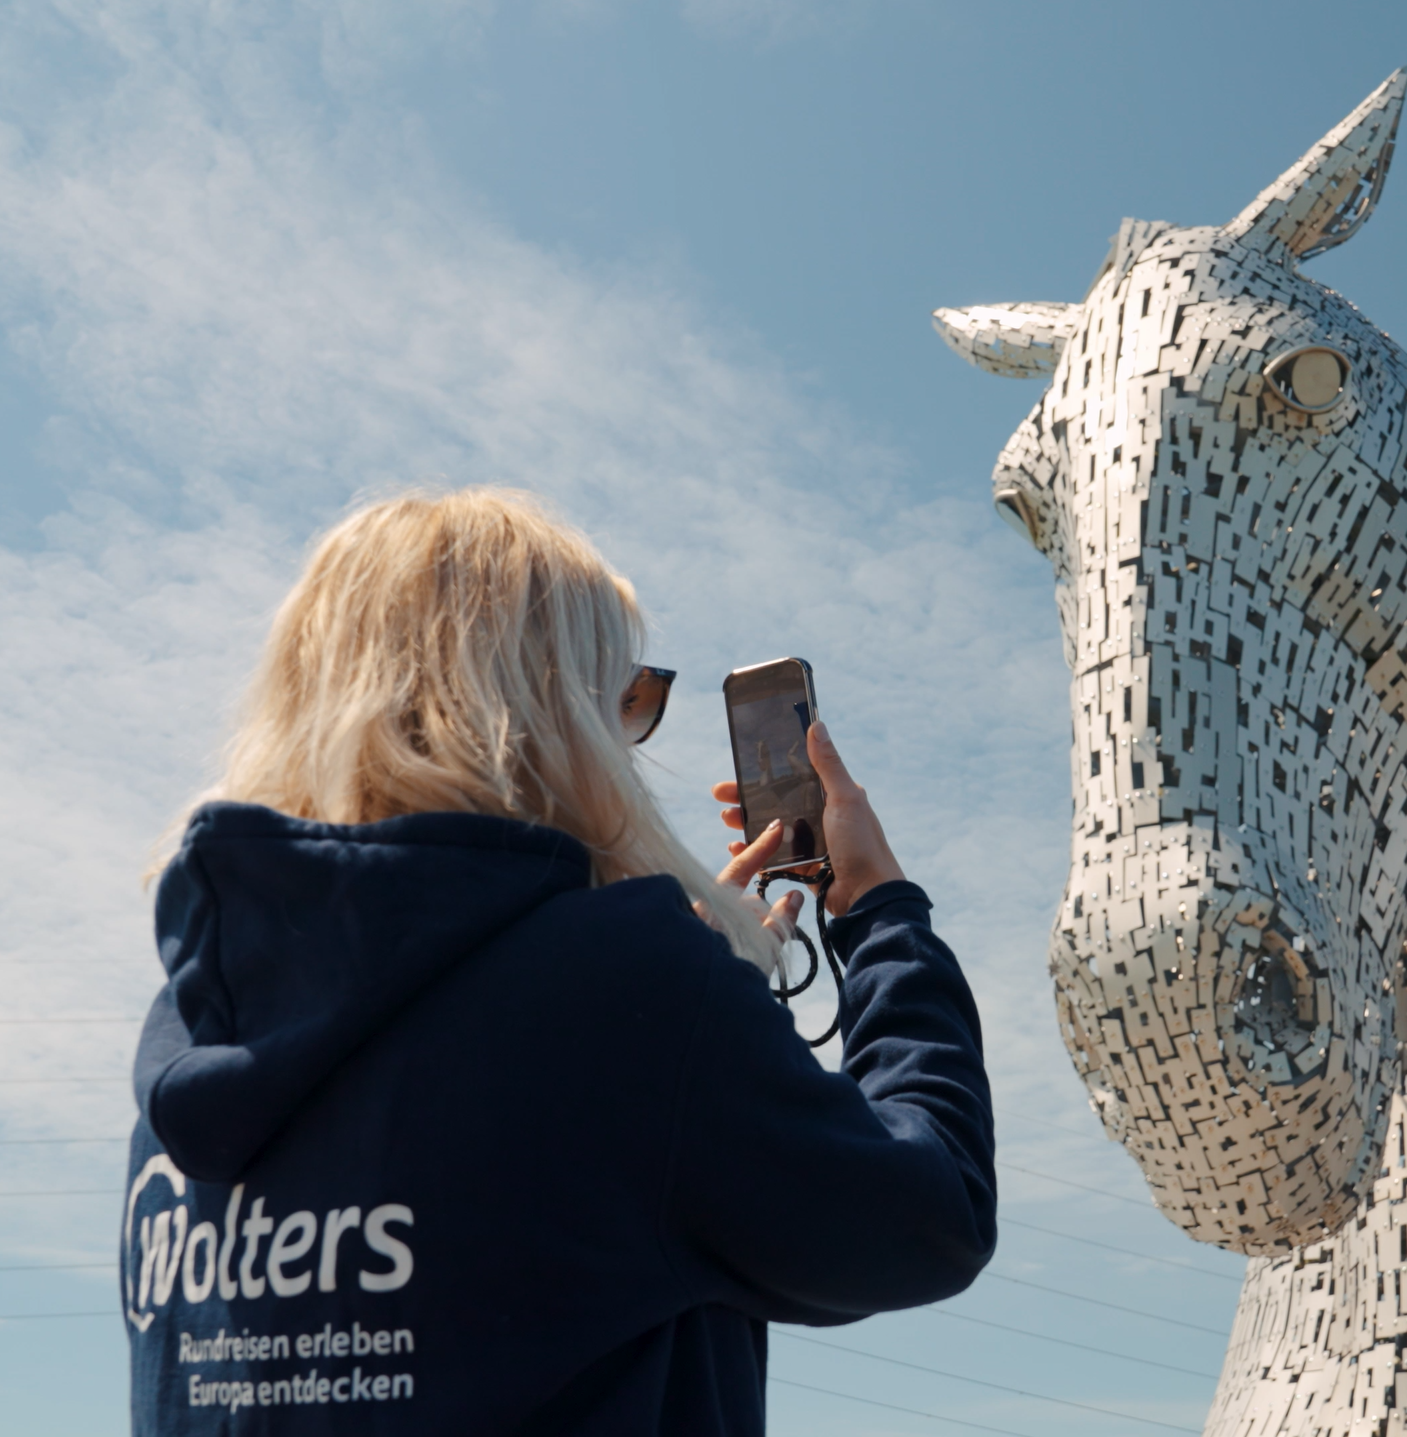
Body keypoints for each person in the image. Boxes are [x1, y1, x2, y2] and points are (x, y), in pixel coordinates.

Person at [117, 488, 995, 1434]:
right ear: (552, 707)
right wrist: (879, 914)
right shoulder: (629, 997)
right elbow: (926, 1218)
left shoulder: (201, 1023)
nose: (631, 736)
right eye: (627, 695)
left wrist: (692, 986)